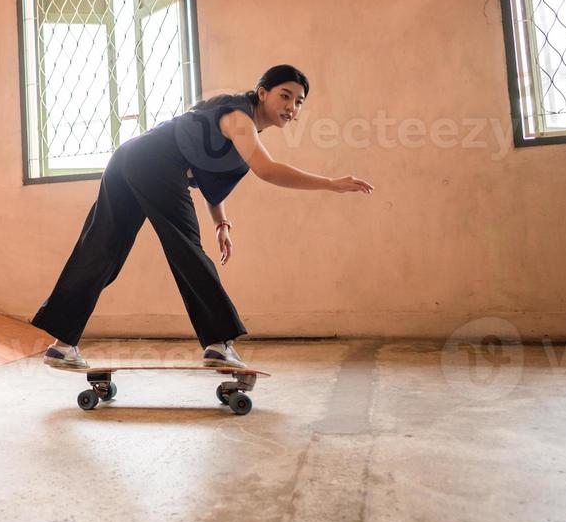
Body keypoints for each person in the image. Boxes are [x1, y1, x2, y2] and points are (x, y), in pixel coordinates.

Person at [32, 64, 373, 370]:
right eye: (285, 96)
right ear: (263, 92)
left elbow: (208, 178)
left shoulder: (239, 123)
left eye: (299, 102)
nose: (291, 107)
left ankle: (62, 344)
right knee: (186, 251)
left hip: (128, 158)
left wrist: (221, 223)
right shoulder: (241, 119)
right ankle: (219, 342)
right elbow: (267, 171)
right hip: (154, 163)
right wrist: (330, 183)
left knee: (101, 248)